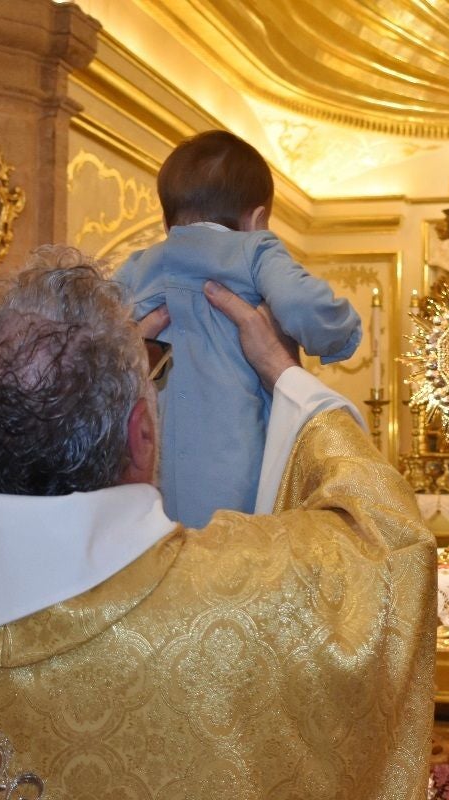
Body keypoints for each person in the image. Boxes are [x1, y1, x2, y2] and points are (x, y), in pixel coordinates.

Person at [0, 246, 435, 799]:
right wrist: (287, 376)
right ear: (142, 435)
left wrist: (36, 397)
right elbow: (387, 539)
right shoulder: (254, 600)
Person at [114, 130, 362, 527]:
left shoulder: (139, 264)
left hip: (152, 465)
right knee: (236, 555)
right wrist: (343, 333)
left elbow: (96, 327)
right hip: (233, 464)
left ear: (166, 220)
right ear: (258, 219)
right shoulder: (255, 251)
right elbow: (302, 304)